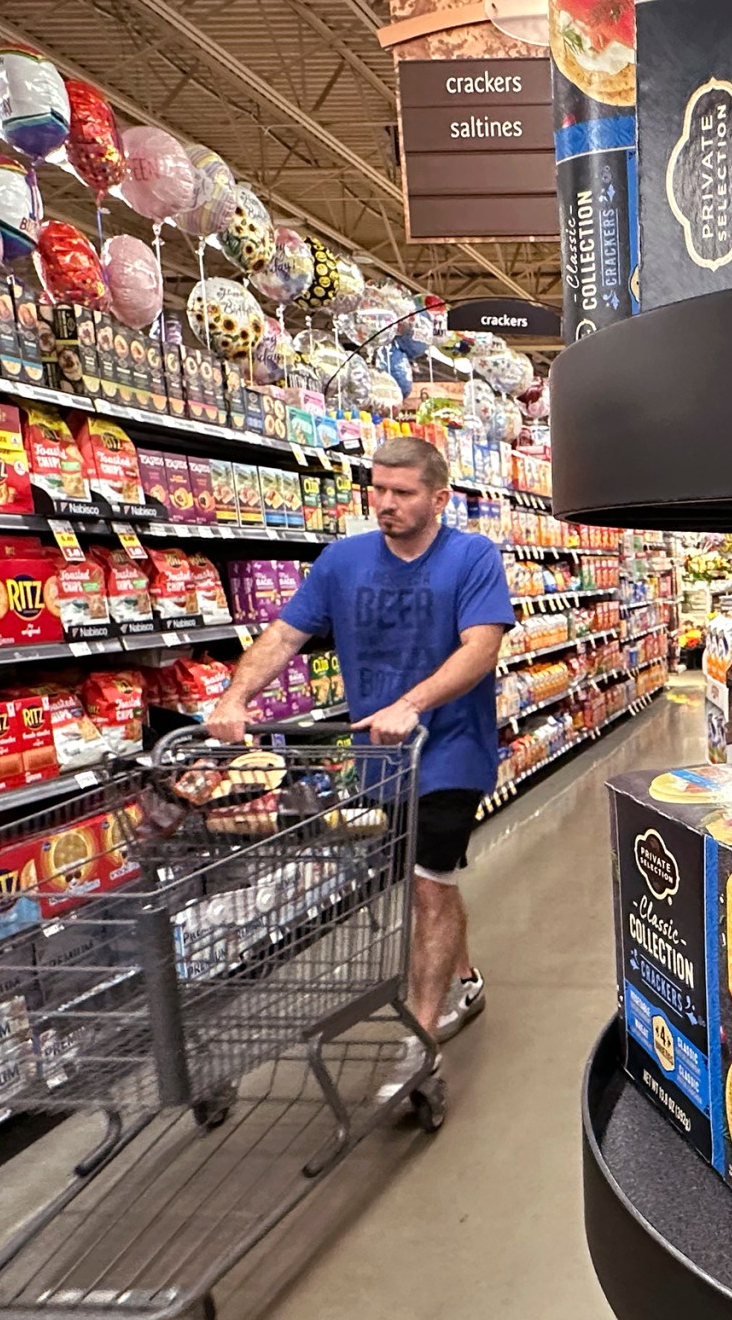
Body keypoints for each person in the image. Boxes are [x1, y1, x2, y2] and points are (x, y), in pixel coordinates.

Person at [204, 435, 511, 1091]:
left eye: (402, 493)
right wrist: (234, 695)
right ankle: (464, 980)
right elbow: (285, 635)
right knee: (428, 880)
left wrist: (414, 702)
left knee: (429, 883)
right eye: (378, 489)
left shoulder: (472, 556)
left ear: (438, 497)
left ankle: (420, 1042)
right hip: (380, 757)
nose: (386, 504)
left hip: (449, 748)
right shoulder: (342, 562)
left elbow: (481, 647)